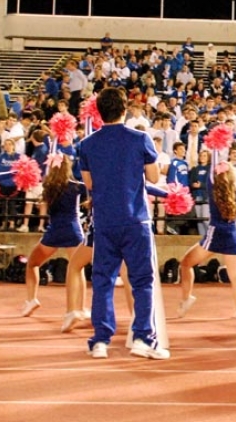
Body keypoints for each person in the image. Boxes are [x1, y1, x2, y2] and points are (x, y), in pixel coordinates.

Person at [78, 87, 168, 360]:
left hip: (105, 221)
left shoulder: (87, 144)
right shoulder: (141, 139)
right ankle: (143, 338)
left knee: (103, 280)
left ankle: (100, 341)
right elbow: (153, 178)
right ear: (125, 109)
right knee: (142, 280)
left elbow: (89, 184)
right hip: (136, 219)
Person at [177, 160, 236, 320]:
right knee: (235, 275)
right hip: (232, 236)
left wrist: (215, 147)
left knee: (186, 263)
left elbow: (210, 175)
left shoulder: (212, 190)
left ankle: (186, 298)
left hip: (215, 235)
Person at [19, 153, 85, 320]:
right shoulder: (77, 186)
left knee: (32, 263)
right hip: (73, 229)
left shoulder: (48, 186)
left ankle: (31, 299)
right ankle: (80, 307)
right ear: (68, 167)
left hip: (55, 230)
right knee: (77, 269)